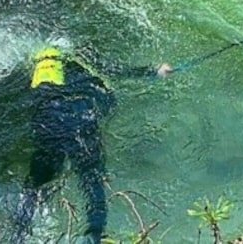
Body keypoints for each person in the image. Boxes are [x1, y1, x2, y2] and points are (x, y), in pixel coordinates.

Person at [13, 46, 171, 244]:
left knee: (36, 185)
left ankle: (18, 235)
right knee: (92, 181)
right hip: (80, 118)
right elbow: (115, 69)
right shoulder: (79, 56)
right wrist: (154, 71)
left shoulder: (37, 71)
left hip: (48, 121)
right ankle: (93, 236)